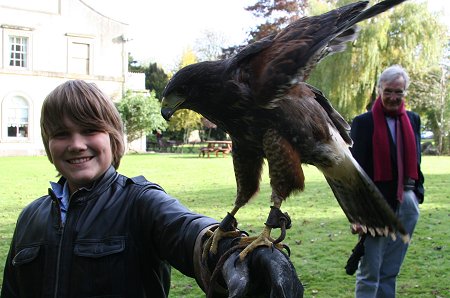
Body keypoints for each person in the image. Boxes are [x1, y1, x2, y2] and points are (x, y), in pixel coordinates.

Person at [1, 80, 303, 298]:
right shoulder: (31, 217)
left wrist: (236, 254)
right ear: (48, 143)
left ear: (113, 138)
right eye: (62, 133)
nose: (77, 144)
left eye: (90, 130)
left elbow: (188, 231)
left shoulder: (139, 202)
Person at [350, 65, 424, 297]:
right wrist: (357, 215)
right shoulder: (363, 123)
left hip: (407, 203)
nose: (393, 97)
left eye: (398, 92)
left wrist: (416, 195)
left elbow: (417, 162)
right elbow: (354, 172)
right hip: (375, 206)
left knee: (390, 270)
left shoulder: (413, 120)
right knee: (370, 271)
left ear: (405, 93)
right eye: (389, 91)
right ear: (379, 89)